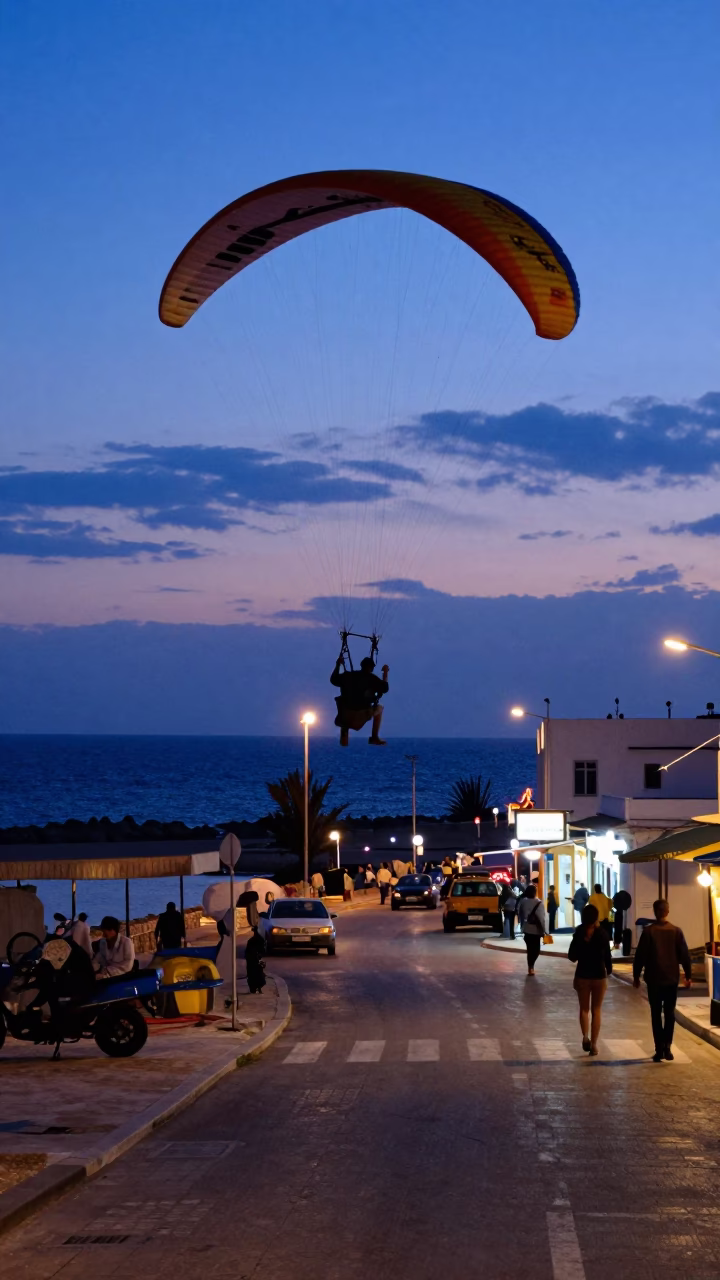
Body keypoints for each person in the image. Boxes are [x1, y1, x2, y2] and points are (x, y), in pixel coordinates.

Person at [633, 898, 692, 1062]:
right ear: (667, 911)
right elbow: (684, 956)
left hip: (653, 979)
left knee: (655, 1013)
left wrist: (636, 975)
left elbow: (641, 956)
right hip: (671, 978)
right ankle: (668, 1047)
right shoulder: (676, 931)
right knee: (669, 1012)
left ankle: (658, 1048)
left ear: (654, 912)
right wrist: (688, 975)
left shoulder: (648, 932)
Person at [568, 904, 612, 1056]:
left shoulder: (579, 932)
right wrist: (609, 969)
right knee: (597, 1010)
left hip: (583, 975)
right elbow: (608, 956)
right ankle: (594, 1044)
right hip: (599, 976)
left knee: (584, 1009)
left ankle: (585, 1036)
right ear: (596, 918)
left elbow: (572, 956)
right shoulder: (602, 934)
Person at [330, 655, 389, 746]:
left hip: (344, 717)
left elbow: (333, 680)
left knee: (346, 708)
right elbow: (384, 689)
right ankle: (374, 737)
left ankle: (344, 742)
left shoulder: (347, 676)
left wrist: (338, 665)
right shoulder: (372, 679)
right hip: (360, 717)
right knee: (379, 708)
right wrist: (385, 672)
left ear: (361, 665)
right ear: (372, 668)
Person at [517, 885, 546, 975]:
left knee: (530, 949)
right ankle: (531, 966)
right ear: (535, 892)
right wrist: (544, 931)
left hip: (527, 929)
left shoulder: (523, 902)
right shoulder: (539, 903)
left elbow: (519, 913)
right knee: (536, 950)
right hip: (536, 930)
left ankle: (530, 967)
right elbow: (542, 918)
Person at [245, 927, 266, 995]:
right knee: (256, 974)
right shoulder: (257, 940)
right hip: (253, 959)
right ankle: (257, 988)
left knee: (254, 974)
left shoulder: (253, 940)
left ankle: (255, 988)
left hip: (252, 960)